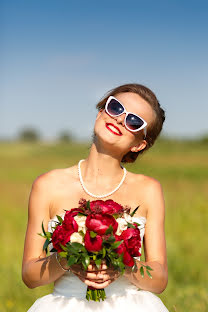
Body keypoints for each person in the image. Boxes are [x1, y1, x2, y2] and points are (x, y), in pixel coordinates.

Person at [22, 83, 169, 311]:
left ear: (139, 144)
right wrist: (65, 259)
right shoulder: (48, 185)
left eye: (134, 121)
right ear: (101, 111)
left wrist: (123, 266)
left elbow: (159, 278)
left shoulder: (149, 189)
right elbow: (30, 276)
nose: (120, 119)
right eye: (116, 107)